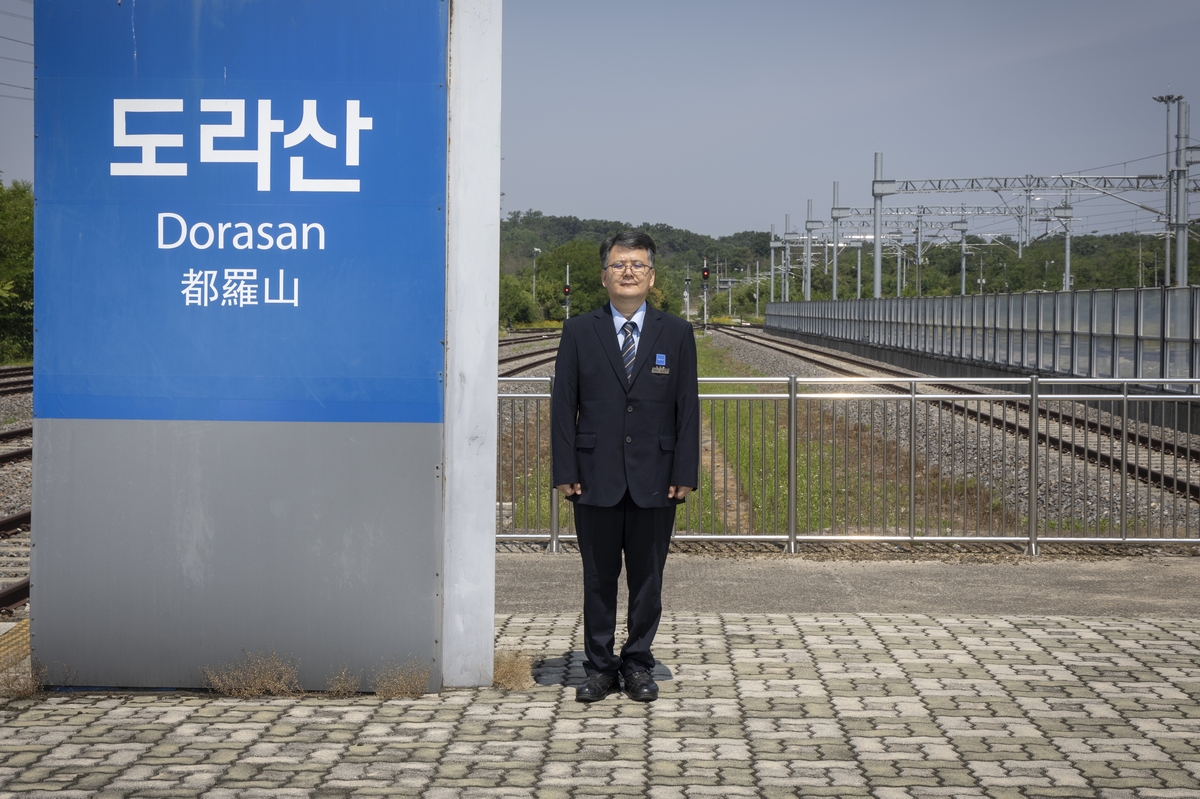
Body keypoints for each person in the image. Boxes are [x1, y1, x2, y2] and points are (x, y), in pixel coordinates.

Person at [551, 230, 699, 703]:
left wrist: (684, 472)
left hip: (656, 477)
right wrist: (564, 468)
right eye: (619, 264)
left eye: (637, 264)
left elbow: (687, 407)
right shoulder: (579, 331)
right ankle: (597, 667)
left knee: (647, 578)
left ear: (652, 276)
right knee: (597, 578)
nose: (628, 271)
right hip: (594, 476)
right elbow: (563, 406)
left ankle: (637, 663)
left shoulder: (676, 333)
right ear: (604, 276)